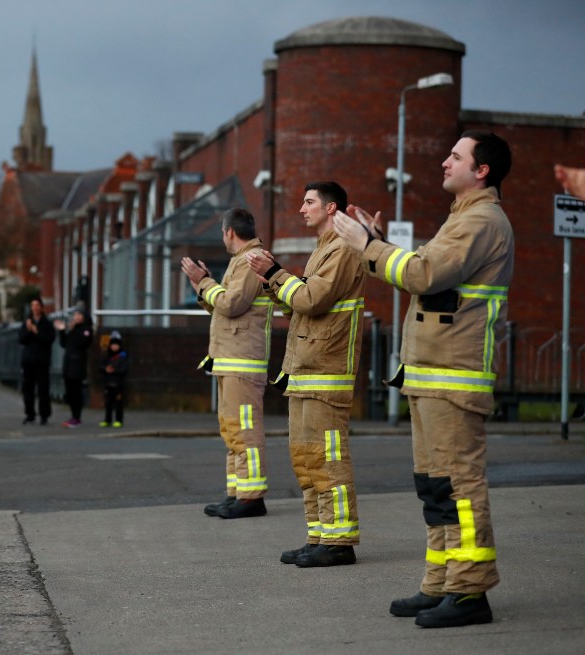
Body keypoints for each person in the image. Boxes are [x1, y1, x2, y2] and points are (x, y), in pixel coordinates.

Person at [332, 130, 513, 628]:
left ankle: (471, 590)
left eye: (455, 156)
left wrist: (368, 246)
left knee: (460, 487)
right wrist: (378, 244)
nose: (443, 161)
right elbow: (421, 269)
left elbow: (425, 274)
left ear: (482, 171)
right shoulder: (463, 218)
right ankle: (442, 582)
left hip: (454, 379)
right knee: (436, 487)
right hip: (433, 377)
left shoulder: (481, 220)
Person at [246, 181, 366, 567]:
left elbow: (313, 300)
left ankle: (339, 542)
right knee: (307, 457)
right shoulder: (322, 249)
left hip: (326, 372)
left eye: (309, 202)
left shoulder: (343, 249)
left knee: (328, 457)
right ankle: (320, 535)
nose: (302, 208)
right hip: (306, 370)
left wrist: (277, 273)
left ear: (332, 208)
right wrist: (272, 283)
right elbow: (300, 305)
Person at [181, 207, 274, 519]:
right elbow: (224, 306)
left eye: (222, 233)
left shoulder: (251, 260)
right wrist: (204, 284)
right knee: (232, 429)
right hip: (230, 361)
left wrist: (203, 282)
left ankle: (251, 497)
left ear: (229, 232)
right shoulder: (240, 260)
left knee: (245, 429)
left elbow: (232, 304)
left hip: (242, 363)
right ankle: (237, 493)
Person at [19, 298, 56, 425]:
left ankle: (44, 414)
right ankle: (30, 414)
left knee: (43, 389)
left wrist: (36, 331)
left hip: (42, 361)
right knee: (28, 389)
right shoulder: (27, 322)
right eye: (32, 305)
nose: (34, 308)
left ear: (41, 307)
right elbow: (21, 339)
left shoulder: (46, 323)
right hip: (28, 361)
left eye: (37, 305)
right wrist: (29, 330)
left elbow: (49, 339)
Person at [55, 308, 94, 428]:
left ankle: (77, 417)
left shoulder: (86, 330)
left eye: (78, 315)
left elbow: (81, 343)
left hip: (77, 364)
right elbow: (64, 343)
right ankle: (73, 416)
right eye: (75, 315)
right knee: (70, 391)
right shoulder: (73, 329)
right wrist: (62, 331)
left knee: (76, 391)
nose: (75, 317)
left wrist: (72, 329)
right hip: (68, 363)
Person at [99, 330, 129, 428]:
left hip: (118, 384)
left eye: (116, 345)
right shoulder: (107, 356)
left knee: (118, 403)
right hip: (108, 383)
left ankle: (118, 420)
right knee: (108, 403)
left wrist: (114, 370)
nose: (114, 347)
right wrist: (105, 369)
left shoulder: (123, 357)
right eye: (113, 345)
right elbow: (100, 366)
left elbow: (124, 369)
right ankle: (107, 420)